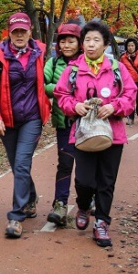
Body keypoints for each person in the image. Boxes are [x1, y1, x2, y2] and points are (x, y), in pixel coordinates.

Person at [54, 20, 137, 248]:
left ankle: (102, 222)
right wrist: (74, 106)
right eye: (87, 40)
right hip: (83, 134)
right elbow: (62, 95)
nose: (91, 45)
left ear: (106, 44)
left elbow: (130, 94)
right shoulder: (73, 70)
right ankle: (83, 205)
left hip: (113, 134)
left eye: (96, 40)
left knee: (106, 181)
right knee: (84, 180)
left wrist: (114, 107)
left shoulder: (117, 68)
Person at [0, 12, 51, 238]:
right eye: (15, 31)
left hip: (32, 117)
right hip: (6, 120)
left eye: (23, 31)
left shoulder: (40, 53)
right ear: (9, 33)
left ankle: (16, 217)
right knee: (16, 164)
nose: (19, 35)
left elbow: (48, 80)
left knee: (21, 163)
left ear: (30, 31)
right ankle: (30, 197)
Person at [43, 22, 82, 227]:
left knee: (86, 165)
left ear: (79, 42)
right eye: (63, 41)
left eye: (71, 41)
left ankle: (86, 202)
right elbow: (43, 84)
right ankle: (60, 204)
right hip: (64, 121)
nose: (67, 45)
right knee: (65, 163)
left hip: (87, 123)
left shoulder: (87, 61)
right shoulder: (54, 62)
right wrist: (62, 89)